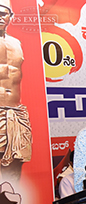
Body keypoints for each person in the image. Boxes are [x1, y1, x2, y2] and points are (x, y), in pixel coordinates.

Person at [0, 0, 32, 181]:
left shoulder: (16, 43)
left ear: (11, 16)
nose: (0, 17)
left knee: (15, 167)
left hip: (15, 113)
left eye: (4, 13)